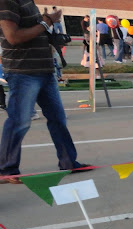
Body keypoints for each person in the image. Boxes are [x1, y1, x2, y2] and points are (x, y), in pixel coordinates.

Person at [0, 3, 90, 184]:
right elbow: (13, 37)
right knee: (19, 122)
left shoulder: (27, 2)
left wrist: (46, 25)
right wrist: (46, 22)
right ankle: (6, 170)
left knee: (58, 118)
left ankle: (68, 162)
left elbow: (33, 30)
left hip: (44, 70)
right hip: (23, 71)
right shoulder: (8, 2)